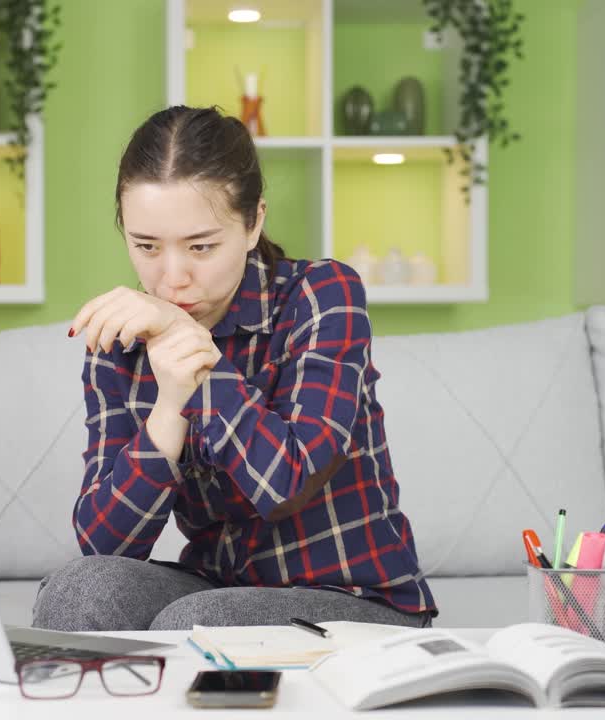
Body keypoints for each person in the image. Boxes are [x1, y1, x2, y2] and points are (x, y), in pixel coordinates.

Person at [31, 105, 437, 632]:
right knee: (78, 591)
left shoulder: (322, 295)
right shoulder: (123, 340)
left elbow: (288, 484)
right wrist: (169, 408)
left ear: (253, 223)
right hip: (219, 586)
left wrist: (195, 358)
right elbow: (105, 544)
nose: (172, 278)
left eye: (201, 246)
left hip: (352, 597)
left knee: (198, 623)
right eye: (146, 246)